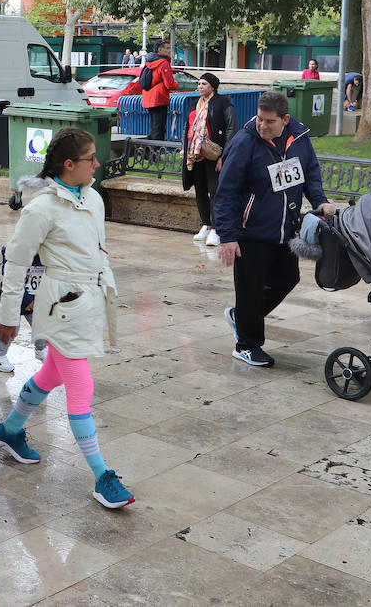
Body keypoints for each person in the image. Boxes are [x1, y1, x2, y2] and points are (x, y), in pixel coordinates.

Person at [0, 128, 134, 509]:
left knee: (50, 375)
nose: (98, 164)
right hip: (62, 307)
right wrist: (8, 318)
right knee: (81, 388)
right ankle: (103, 477)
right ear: (69, 165)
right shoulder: (41, 208)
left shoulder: (94, 198)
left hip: (90, 302)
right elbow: (16, 263)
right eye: (91, 159)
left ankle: (10, 430)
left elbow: (98, 251)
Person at [214, 91, 337, 367]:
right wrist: (228, 236)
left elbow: (311, 173)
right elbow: (226, 192)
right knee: (251, 288)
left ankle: (241, 316)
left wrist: (321, 201)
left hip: (286, 228)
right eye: (260, 119)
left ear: (285, 120)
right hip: (251, 231)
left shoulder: (299, 138)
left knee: (288, 277)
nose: (263, 126)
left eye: (270, 121)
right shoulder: (245, 142)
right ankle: (246, 345)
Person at [182, 73, 236, 247]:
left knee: (215, 191)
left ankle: (216, 229)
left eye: (204, 84)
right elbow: (187, 127)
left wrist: (224, 156)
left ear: (213, 86)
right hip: (196, 154)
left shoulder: (223, 103)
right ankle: (205, 224)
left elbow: (231, 129)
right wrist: (186, 148)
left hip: (214, 154)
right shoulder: (194, 104)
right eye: (198, 84)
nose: (200, 86)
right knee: (200, 190)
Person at [140, 40, 176, 140]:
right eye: (168, 48)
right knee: (159, 129)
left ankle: (149, 151)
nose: (170, 50)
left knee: (155, 127)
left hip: (148, 98)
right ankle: (154, 152)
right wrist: (177, 84)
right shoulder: (163, 63)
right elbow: (170, 84)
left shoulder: (149, 62)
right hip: (159, 98)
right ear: (160, 50)